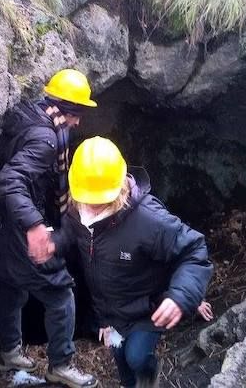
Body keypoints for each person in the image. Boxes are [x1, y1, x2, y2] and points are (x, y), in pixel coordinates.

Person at [41, 137, 213, 388]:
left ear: (118, 186)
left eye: (98, 198)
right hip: (108, 309)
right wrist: (53, 242)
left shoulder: (148, 219)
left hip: (147, 307)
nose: (91, 205)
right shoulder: (77, 209)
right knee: (121, 358)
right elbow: (72, 234)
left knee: (136, 357)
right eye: (87, 196)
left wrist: (183, 296)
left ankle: (149, 375)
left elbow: (193, 251)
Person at [0, 69, 98, 388]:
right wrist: (34, 226)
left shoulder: (30, 114)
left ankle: (10, 352)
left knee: (13, 285)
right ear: (65, 109)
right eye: (77, 114)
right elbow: (11, 180)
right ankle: (61, 364)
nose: (78, 123)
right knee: (61, 293)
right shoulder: (45, 139)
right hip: (19, 229)